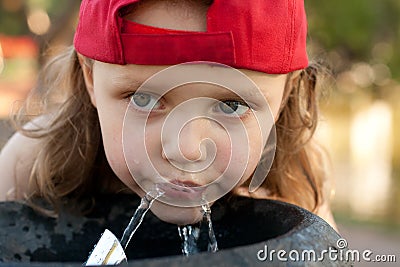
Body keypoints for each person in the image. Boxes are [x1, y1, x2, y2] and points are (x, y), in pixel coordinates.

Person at [0, 0, 336, 229]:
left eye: (231, 106)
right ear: (91, 79)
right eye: (143, 99)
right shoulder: (34, 163)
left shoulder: (297, 193)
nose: (187, 149)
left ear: (285, 95)